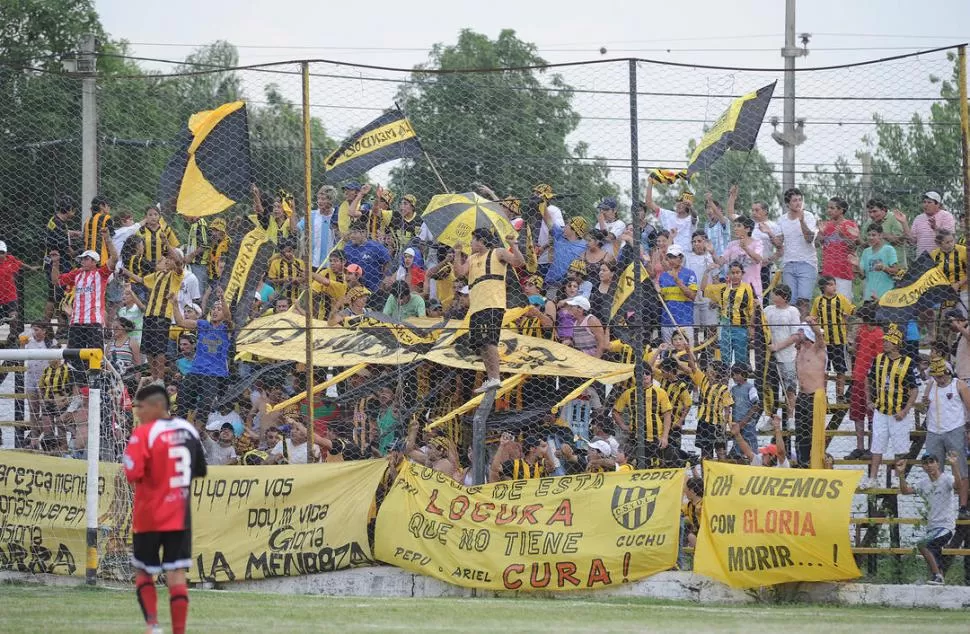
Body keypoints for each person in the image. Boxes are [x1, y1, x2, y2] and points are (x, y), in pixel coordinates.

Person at [123, 384, 206, 634]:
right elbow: (200, 470)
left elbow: (132, 473)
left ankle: (153, 626)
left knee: (144, 569)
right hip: (180, 515)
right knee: (177, 572)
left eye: (141, 407)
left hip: (149, 514)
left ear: (158, 406)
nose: (137, 412)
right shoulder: (189, 429)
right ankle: (178, 631)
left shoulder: (144, 433)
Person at [453, 228, 523, 394]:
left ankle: (495, 377)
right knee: (481, 343)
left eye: (473, 240)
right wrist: (457, 253)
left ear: (481, 241)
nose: (470, 243)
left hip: (492, 303)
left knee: (489, 340)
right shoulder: (471, 258)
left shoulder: (498, 253)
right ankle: (491, 377)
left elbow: (518, 262)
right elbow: (459, 273)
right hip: (476, 306)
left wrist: (515, 246)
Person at [860, 323, 921, 489]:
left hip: (898, 413)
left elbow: (914, 389)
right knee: (877, 446)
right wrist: (869, 400)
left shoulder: (908, 363)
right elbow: (868, 378)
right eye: (885, 340)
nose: (884, 343)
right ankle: (873, 478)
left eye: (888, 341)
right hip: (881, 411)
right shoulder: (878, 359)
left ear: (896, 344)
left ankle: (897, 478)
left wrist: (905, 410)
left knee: (900, 447)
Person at [895, 453, 962, 585]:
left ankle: (937, 576)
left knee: (923, 544)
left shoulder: (946, 479)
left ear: (938, 464)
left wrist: (954, 465)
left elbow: (958, 486)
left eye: (932, 462)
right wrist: (901, 474)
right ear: (923, 467)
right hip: (932, 527)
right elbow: (905, 491)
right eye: (926, 463)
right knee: (934, 553)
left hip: (945, 526)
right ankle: (939, 579)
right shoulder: (923, 483)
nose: (929, 465)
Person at [50, 226, 119, 355]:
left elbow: (114, 258)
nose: (82, 261)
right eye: (82, 258)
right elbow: (56, 281)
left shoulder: (101, 273)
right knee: (73, 357)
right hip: (76, 322)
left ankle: (95, 375)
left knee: (95, 356)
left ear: (95, 262)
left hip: (94, 322)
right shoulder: (76, 273)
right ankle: (76, 375)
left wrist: (108, 239)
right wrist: (55, 263)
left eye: (86, 258)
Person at [772, 319, 826, 466]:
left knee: (813, 433)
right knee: (801, 433)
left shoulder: (818, 349)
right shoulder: (800, 349)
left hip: (815, 396)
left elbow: (819, 336)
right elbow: (794, 338)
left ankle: (813, 463)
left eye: (801, 331)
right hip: (802, 396)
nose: (798, 334)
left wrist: (813, 324)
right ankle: (802, 462)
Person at [172, 294, 232, 426]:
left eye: (219, 309)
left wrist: (222, 298)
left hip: (214, 374)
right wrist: (175, 304)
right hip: (196, 371)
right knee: (182, 398)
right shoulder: (203, 325)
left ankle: (198, 431)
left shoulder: (226, 328)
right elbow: (181, 322)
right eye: (214, 308)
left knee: (204, 405)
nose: (215, 311)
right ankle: (179, 428)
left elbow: (228, 318)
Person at [921, 358, 970, 514]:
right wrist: (924, 405)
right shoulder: (930, 385)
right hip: (934, 431)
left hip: (955, 429)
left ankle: (962, 506)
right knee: (934, 469)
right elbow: (923, 410)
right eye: (936, 376)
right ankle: (938, 506)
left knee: (961, 468)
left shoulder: (959, 384)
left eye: (942, 376)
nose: (939, 379)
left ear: (948, 372)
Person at [611, 365, 672, 467]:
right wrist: (623, 426)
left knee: (653, 467)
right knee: (636, 466)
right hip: (635, 438)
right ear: (635, 376)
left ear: (651, 375)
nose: (644, 375)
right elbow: (615, 411)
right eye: (641, 373)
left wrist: (665, 437)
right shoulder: (628, 393)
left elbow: (667, 415)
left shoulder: (660, 392)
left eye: (647, 373)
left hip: (655, 438)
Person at [847, 303, 884, 459]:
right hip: (858, 377)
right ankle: (860, 447)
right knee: (857, 414)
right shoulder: (861, 332)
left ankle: (872, 447)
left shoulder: (879, 334)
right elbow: (855, 351)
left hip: (871, 380)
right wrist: (854, 341)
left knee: (872, 415)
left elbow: (879, 359)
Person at [810, 275, 855, 401]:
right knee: (824, 370)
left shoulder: (841, 299)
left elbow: (852, 310)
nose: (833, 287)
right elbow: (813, 316)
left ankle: (839, 396)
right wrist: (810, 320)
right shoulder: (818, 301)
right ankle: (823, 396)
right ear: (823, 287)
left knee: (840, 370)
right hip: (824, 342)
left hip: (839, 341)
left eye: (834, 284)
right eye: (830, 284)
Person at [685, 351, 733, 461]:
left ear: (715, 372)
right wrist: (688, 351)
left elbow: (727, 410)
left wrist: (724, 426)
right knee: (705, 453)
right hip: (703, 422)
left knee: (720, 451)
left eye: (710, 368)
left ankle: (721, 474)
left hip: (717, 424)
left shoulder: (723, 389)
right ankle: (706, 476)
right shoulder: (703, 381)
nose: (707, 370)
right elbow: (693, 367)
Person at [764, 284, 801, 425]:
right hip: (770, 357)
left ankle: (791, 417)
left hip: (787, 356)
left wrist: (778, 346)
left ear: (784, 297)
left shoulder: (792, 311)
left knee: (790, 388)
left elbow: (796, 335)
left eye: (776, 294)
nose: (773, 297)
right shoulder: (768, 310)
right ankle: (771, 417)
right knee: (770, 389)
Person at [777, 187, 819, 303]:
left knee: (803, 301)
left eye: (800, 200)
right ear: (787, 203)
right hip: (788, 264)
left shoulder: (809, 216)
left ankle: (803, 322)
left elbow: (810, 239)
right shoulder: (781, 220)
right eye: (795, 200)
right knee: (789, 301)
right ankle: (793, 321)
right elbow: (778, 243)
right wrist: (769, 233)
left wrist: (801, 221)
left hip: (807, 263)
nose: (798, 203)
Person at [817, 196, 860, 299]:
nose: (829, 210)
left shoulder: (850, 225)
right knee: (826, 306)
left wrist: (843, 236)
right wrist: (820, 234)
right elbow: (818, 244)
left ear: (841, 210)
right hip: (828, 272)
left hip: (843, 272)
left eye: (832, 208)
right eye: (828, 208)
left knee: (843, 306)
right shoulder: (826, 225)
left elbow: (853, 246)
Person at [0, 241, 39, 345]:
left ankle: (12, 335)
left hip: (9, 295)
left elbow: (20, 264)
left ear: (6, 253)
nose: (0, 255)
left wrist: (31, 268)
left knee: (14, 317)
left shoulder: (10, 259)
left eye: (2, 252)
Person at [657, 244, 697, 343]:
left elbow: (692, 296)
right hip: (667, 322)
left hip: (684, 321)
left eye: (674, 257)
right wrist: (657, 292)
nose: (671, 260)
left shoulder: (689, 274)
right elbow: (662, 301)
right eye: (669, 257)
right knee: (668, 354)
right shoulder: (663, 276)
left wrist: (677, 281)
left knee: (687, 354)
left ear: (681, 258)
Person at [718, 261, 755, 366]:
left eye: (737, 272)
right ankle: (725, 379)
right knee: (725, 357)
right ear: (728, 274)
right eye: (732, 273)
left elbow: (751, 308)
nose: (735, 275)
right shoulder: (724, 288)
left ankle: (740, 380)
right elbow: (721, 307)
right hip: (725, 327)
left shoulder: (747, 288)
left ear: (742, 273)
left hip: (741, 327)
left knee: (740, 358)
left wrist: (751, 328)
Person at [686, 231, 718, 345]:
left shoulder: (710, 257)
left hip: (708, 298)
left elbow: (716, 278)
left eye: (699, 241)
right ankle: (694, 358)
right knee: (693, 329)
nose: (696, 244)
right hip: (693, 297)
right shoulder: (688, 257)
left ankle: (709, 359)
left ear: (706, 242)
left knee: (711, 329)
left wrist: (716, 298)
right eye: (694, 242)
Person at [645, 180, 695, 254]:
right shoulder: (667, 214)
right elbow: (649, 203)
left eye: (682, 202)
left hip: (686, 255)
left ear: (688, 206)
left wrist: (691, 207)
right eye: (678, 201)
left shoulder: (691, 219)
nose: (679, 204)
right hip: (669, 254)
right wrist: (650, 183)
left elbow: (695, 216)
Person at [853, 223, 899, 302]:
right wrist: (856, 265)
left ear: (880, 235)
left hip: (885, 295)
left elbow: (896, 271)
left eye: (874, 235)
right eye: (869, 235)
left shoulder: (889, 249)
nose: (870, 238)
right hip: (869, 295)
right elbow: (862, 276)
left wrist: (884, 268)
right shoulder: (866, 252)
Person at [721, 215, 764, 299]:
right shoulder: (732, 244)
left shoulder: (757, 243)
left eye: (739, 226)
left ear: (747, 229)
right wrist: (712, 252)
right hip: (734, 288)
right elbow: (720, 262)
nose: (735, 229)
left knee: (753, 311)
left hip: (752, 287)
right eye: (734, 226)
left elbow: (758, 259)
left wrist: (745, 248)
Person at [343, 222, 391, 292]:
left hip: (374, 289)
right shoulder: (347, 247)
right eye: (350, 233)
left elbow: (388, 262)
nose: (351, 236)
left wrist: (386, 278)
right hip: (353, 289)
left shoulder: (375, 247)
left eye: (355, 233)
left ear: (364, 233)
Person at [489, 432, 556, 482]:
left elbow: (551, 468)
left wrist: (546, 451)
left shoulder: (542, 463)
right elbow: (495, 469)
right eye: (541, 447)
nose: (543, 450)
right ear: (532, 448)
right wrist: (502, 445)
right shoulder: (514, 464)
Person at [907, 191, 956, 259]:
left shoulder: (946, 216)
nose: (925, 205)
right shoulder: (918, 218)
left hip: (941, 258)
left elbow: (950, 238)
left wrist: (935, 228)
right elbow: (912, 241)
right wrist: (903, 223)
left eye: (929, 202)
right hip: (922, 259)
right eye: (924, 202)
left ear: (937, 205)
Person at [298, 185, 338, 268]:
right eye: (318, 199)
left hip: (332, 265)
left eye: (323, 199)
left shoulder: (337, 215)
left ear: (331, 200)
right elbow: (296, 229)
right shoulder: (311, 215)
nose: (319, 201)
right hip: (313, 263)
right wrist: (291, 210)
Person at [864, 198, 909, 268]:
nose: (872, 215)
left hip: (896, 266)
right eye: (869, 212)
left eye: (874, 211)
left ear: (884, 209)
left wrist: (882, 235)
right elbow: (864, 244)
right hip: (876, 266)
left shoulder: (894, 218)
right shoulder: (869, 223)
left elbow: (900, 241)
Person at [930, 229, 968, 309]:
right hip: (943, 294)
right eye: (947, 242)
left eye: (952, 241)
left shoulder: (963, 250)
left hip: (962, 291)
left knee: (961, 318)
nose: (951, 244)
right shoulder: (934, 255)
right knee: (947, 319)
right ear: (939, 244)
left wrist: (958, 284)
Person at [729, 363, 760, 455]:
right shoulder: (733, 389)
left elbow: (756, 406)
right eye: (732, 374)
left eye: (736, 374)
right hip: (736, 425)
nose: (733, 377)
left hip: (748, 425)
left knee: (751, 448)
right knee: (738, 448)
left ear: (744, 374)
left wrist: (743, 422)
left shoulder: (750, 388)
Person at [267, 238, 307, 305]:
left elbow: (306, 278)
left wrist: (297, 280)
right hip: (281, 298)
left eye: (292, 251)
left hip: (297, 298)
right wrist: (283, 280)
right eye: (288, 252)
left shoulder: (300, 262)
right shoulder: (275, 263)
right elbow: (271, 280)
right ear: (282, 252)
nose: (291, 254)